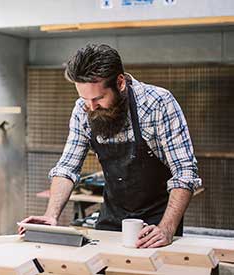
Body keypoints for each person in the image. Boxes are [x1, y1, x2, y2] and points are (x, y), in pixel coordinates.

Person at [19, 44, 202, 248]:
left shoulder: (158, 103)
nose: (91, 106)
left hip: (158, 222)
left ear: (120, 82)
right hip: (112, 218)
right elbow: (67, 168)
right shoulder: (83, 109)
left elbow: (185, 171)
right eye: (84, 98)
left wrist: (167, 229)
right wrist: (50, 216)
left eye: (98, 98)